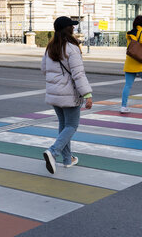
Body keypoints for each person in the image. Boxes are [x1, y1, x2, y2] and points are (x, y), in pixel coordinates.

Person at [41, 16, 93, 174]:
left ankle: (67, 159)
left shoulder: (50, 47)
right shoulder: (72, 47)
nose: (74, 28)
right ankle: (53, 151)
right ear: (67, 29)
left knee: (64, 126)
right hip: (69, 94)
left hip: (54, 94)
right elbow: (78, 74)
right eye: (72, 26)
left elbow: (44, 69)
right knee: (72, 126)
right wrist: (87, 94)